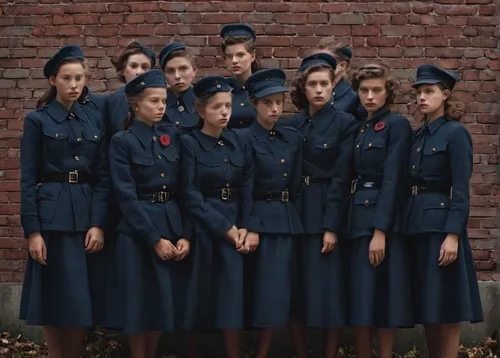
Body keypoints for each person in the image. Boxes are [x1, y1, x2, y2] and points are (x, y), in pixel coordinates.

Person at [19, 45, 109, 358]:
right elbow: (27, 179)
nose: (73, 84)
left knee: (80, 299)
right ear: (53, 80)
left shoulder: (93, 119)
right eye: (66, 78)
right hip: (52, 219)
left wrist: (98, 224)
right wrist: (34, 232)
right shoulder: (37, 121)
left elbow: (102, 177)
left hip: (85, 218)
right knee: (53, 298)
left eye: (79, 78)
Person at [104, 69, 190, 358]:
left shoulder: (171, 136)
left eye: (163, 101)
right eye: (153, 101)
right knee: (138, 305)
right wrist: (154, 240)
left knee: (161, 303)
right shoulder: (123, 141)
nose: (161, 106)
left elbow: (185, 189)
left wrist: (184, 235)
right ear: (136, 105)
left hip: (169, 223)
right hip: (139, 233)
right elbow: (125, 196)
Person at [403, 64, 483, 358]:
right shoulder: (418, 135)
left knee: (447, 306)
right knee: (428, 303)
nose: (422, 97)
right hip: (416, 226)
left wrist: (453, 235)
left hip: (441, 227)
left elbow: (461, 189)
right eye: (419, 93)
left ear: (445, 95)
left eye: (429, 92)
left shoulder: (455, 133)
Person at [180, 76, 255, 358]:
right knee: (199, 295)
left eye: (228, 106)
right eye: (217, 107)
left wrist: (244, 226)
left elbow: (248, 186)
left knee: (232, 296)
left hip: (236, 224)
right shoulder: (190, 143)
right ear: (201, 110)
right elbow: (189, 193)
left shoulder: (238, 141)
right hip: (205, 227)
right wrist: (224, 228)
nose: (224, 112)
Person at [289, 53, 357, 358]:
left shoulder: (345, 123)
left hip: (324, 210)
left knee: (329, 290)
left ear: (333, 87)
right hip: (294, 211)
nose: (318, 89)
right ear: (303, 89)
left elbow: (341, 178)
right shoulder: (292, 124)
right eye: (312, 84)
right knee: (295, 289)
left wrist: (331, 226)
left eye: (324, 84)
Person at [346, 64, 413, 358]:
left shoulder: (397, 125)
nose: (370, 96)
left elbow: (393, 179)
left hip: (381, 223)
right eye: (364, 91)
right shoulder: (359, 127)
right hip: (356, 219)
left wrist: (380, 231)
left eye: (376, 90)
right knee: (360, 300)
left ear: (388, 92)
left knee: (383, 300)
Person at [241, 69, 304, 358]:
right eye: (268, 103)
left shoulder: (291, 137)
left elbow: (297, 183)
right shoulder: (244, 138)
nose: (275, 108)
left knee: (294, 292)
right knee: (269, 293)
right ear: (254, 103)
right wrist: (251, 225)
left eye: (279, 102)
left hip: (290, 221)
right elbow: (246, 186)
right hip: (264, 223)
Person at [104, 41, 156, 140]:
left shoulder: (160, 100)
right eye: (133, 66)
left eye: (145, 67)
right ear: (123, 70)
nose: (139, 72)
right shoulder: (112, 101)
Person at [220, 23, 258, 129]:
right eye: (229, 56)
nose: (234, 61)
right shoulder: (222, 90)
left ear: (253, 56)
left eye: (240, 55)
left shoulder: (262, 88)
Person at [159, 41, 198, 135]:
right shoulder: (158, 105)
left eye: (183, 69)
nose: (177, 76)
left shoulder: (203, 104)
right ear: (164, 76)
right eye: (170, 71)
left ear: (194, 71)